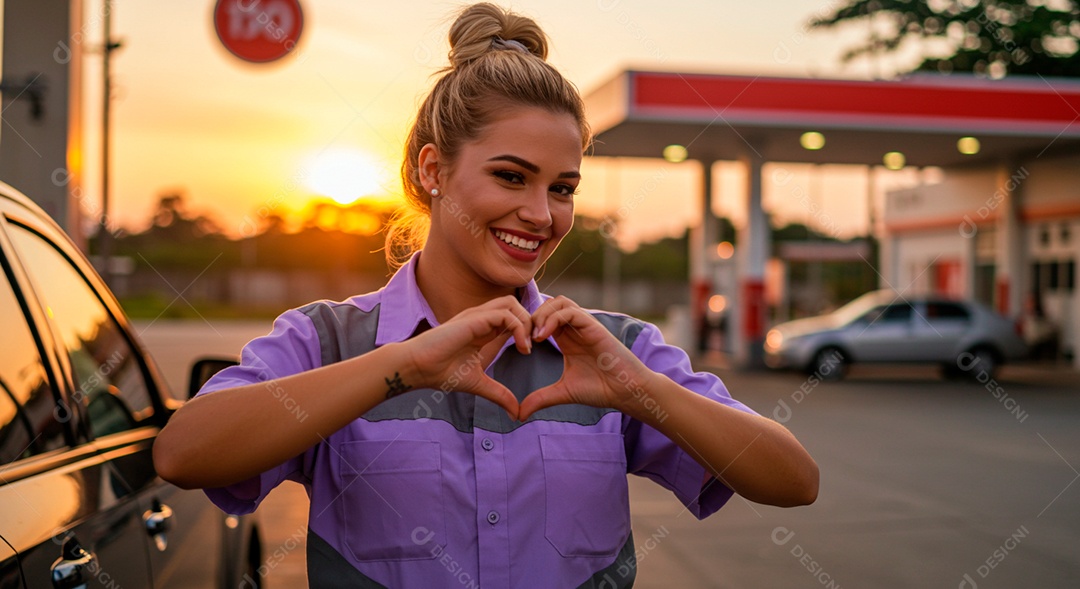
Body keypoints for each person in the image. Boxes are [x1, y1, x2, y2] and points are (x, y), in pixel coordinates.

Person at [154, 4, 819, 587]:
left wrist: (640, 389)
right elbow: (184, 453)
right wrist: (403, 368)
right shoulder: (327, 339)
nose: (541, 213)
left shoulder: (612, 350)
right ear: (432, 169)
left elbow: (794, 480)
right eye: (511, 176)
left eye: (562, 188)